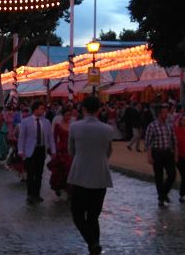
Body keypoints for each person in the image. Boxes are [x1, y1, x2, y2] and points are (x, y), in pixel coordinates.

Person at [67, 96, 113, 255]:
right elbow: (109, 151)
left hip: (79, 174)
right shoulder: (108, 129)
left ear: (83, 109)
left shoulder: (74, 127)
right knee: (94, 215)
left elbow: (71, 150)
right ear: (99, 110)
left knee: (77, 214)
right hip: (100, 174)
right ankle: (94, 243)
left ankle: (92, 243)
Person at [18, 101, 55, 204]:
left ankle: (37, 193)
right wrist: (21, 150)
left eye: (43, 109)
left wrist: (53, 150)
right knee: (30, 173)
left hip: (41, 149)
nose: (43, 110)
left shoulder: (46, 122)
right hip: (30, 150)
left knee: (39, 173)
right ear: (35, 109)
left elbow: (50, 137)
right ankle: (30, 194)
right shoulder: (26, 121)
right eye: (41, 108)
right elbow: (22, 137)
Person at [144, 104, 177, 207]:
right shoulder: (152, 126)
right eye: (164, 112)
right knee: (159, 176)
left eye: (167, 112)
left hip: (167, 152)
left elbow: (173, 139)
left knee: (172, 174)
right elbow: (148, 142)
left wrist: (175, 153)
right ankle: (161, 198)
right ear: (159, 114)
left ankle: (163, 194)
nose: (166, 114)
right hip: (157, 153)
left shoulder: (169, 125)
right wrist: (149, 156)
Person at [49, 107, 73, 197]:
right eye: (67, 115)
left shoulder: (72, 125)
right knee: (61, 170)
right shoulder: (58, 125)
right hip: (61, 149)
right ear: (63, 115)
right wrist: (55, 151)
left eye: (70, 115)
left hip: (70, 149)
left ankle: (69, 188)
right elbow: (54, 139)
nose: (68, 117)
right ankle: (59, 187)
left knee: (70, 169)